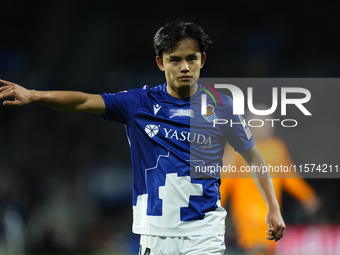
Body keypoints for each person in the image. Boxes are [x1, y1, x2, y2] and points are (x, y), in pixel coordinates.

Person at [0, 21, 285, 254]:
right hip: (155, 234)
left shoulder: (221, 106)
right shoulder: (139, 103)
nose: (184, 67)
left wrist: (273, 208)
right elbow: (84, 101)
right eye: (175, 60)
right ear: (160, 63)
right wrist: (34, 95)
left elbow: (253, 157)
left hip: (204, 232)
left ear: (202, 60)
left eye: (191, 58)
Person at [220, 109, 320, 255]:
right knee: (256, 247)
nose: (264, 126)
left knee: (269, 247)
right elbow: (224, 181)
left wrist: (307, 196)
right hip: (248, 213)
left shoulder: (277, 148)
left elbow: (290, 177)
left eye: (267, 123)